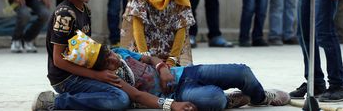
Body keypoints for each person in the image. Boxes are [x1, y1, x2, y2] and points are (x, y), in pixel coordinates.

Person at [51, 33, 292, 111]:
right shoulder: (112, 79)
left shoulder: (121, 53)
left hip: (184, 74)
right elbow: (136, 97)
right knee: (214, 100)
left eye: (109, 53)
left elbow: (149, 56)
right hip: (178, 94)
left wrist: (162, 67)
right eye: (107, 61)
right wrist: (171, 106)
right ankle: (229, 100)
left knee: (242, 72)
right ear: (100, 69)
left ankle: (260, 97)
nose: (113, 59)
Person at [33, 0, 130, 111]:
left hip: (81, 71)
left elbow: (84, 52)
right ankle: (54, 102)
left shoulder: (85, 10)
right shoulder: (65, 14)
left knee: (119, 53)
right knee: (120, 99)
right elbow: (58, 60)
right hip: (65, 79)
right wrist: (97, 76)